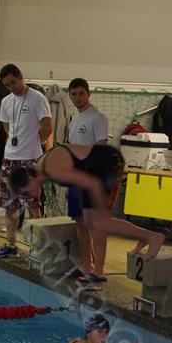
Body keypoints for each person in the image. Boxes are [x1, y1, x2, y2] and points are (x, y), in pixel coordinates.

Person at [9, 143, 165, 263]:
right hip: (92, 170)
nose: (28, 196)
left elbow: (93, 184)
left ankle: (153, 237)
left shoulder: (52, 169)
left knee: (99, 223)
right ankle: (143, 236)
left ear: (30, 179)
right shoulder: (42, 168)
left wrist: (101, 209)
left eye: (25, 192)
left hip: (108, 163)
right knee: (89, 221)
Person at [0, 64, 52, 258]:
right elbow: (7, 128)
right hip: (10, 159)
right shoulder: (6, 101)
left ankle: (38, 248)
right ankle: (10, 244)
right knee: (10, 205)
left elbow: (47, 128)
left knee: (33, 205)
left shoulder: (37, 98)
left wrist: (32, 144)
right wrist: (14, 145)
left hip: (30, 160)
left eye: (13, 82)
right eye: (7, 85)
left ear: (21, 77)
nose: (11, 87)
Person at [66, 77, 109, 282]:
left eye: (81, 93)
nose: (77, 98)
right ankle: (85, 265)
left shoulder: (97, 118)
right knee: (80, 222)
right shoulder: (75, 120)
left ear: (88, 94)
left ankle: (98, 270)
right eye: (74, 94)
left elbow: (101, 150)